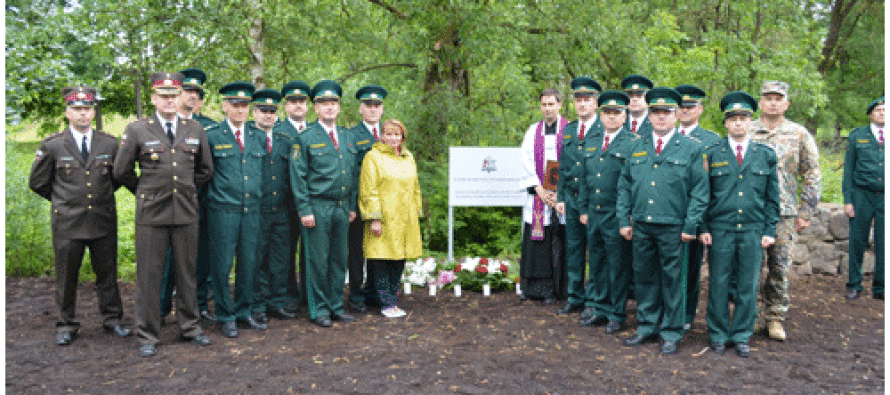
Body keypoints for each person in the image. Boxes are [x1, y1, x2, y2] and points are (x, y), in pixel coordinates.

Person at [114, 72, 214, 357]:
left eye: (174, 96)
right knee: (149, 276)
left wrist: (183, 189)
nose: (170, 101)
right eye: (164, 96)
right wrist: (145, 190)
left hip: (185, 211)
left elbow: (205, 170)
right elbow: (121, 171)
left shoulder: (194, 129)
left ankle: (190, 327)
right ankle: (147, 334)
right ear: (154, 99)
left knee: (187, 274)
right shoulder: (137, 130)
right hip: (152, 215)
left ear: (181, 97)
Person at [29, 86, 136, 346]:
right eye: (77, 109)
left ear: (93, 111)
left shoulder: (109, 143)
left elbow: (118, 176)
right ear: (67, 112)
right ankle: (66, 324)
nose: (83, 115)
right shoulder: (53, 145)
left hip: (102, 220)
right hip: (68, 223)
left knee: (107, 274)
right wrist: (64, 201)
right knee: (66, 277)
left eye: (87, 109)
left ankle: (112, 320)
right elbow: (38, 182)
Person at [616, 87, 709, 355]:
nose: (660, 117)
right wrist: (624, 219)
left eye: (666, 112)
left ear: (676, 115)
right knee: (644, 278)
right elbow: (624, 186)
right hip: (642, 223)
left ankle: (671, 331)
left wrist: (691, 225)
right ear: (650, 115)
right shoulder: (637, 146)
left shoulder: (691, 149)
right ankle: (646, 326)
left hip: (674, 227)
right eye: (656, 112)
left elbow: (700, 191)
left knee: (672, 280)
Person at [699, 91, 780, 357]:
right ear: (725, 123)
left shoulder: (765, 155)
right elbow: (704, 195)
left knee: (748, 285)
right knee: (719, 284)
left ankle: (742, 334)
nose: (738, 123)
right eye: (732, 118)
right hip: (721, 229)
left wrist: (770, 229)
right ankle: (719, 334)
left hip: (753, 230)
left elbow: (772, 197)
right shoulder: (712, 154)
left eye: (743, 118)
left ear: (751, 122)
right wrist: (704, 228)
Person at [750, 80, 822, 341]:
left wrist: (806, 211)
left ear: (787, 103)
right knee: (751, 267)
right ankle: (751, 316)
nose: (772, 102)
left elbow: (812, 173)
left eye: (778, 98)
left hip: (784, 212)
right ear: (760, 102)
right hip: (752, 211)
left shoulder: (798, 133)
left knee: (779, 267)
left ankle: (775, 317)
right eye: (768, 97)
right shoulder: (747, 130)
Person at [290, 79, 358, 328]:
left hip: (341, 207)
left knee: (340, 259)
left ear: (339, 108)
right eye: (323, 103)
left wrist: (351, 205)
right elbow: (298, 177)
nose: (329, 107)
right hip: (318, 207)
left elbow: (352, 174)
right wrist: (304, 209)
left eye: (333, 103)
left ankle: (336, 306)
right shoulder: (305, 138)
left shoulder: (348, 137)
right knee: (318, 261)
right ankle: (319, 310)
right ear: (315, 108)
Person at [203, 81, 268, 338]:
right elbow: (204, 173)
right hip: (223, 210)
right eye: (235, 105)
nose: (240, 110)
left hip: (251, 209)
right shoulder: (212, 135)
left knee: (249, 264)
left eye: (244, 106)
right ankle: (225, 315)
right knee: (221, 265)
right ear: (225, 106)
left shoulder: (257, 136)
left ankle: (243, 312)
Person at [160, 67, 217, 325]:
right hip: (172, 204)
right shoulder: (164, 124)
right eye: (187, 90)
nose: (192, 96)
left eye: (197, 92)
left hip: (203, 202)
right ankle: (161, 308)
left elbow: (210, 168)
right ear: (176, 93)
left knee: (202, 258)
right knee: (169, 260)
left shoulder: (208, 127)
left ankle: (200, 305)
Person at [576, 90, 636, 334]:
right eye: (607, 113)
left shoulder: (633, 143)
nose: (611, 117)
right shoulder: (591, 140)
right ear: (601, 116)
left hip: (616, 214)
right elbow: (584, 179)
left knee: (618, 265)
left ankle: (616, 312)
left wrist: (627, 215)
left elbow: (633, 182)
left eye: (616, 113)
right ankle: (598, 307)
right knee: (597, 262)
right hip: (594, 213)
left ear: (624, 117)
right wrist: (582, 207)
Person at [359, 119, 423, 318]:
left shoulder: (408, 157)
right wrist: (374, 218)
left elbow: (415, 187)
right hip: (384, 218)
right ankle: (387, 303)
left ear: (403, 137)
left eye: (397, 134)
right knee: (381, 259)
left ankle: (383, 296)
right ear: (381, 135)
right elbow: (368, 190)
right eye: (388, 134)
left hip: (405, 218)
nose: (393, 138)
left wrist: (417, 212)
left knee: (399, 259)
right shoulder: (373, 157)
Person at [674, 84, 722, 330]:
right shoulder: (665, 135)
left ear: (700, 109)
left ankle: (687, 315)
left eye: (690, 107)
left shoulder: (711, 141)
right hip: (669, 213)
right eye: (681, 107)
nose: (685, 111)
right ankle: (667, 311)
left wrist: (702, 222)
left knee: (691, 267)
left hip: (696, 214)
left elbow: (711, 186)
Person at [250, 88, 297, 322]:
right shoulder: (248, 137)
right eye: (263, 110)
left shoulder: (285, 140)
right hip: (257, 210)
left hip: (281, 210)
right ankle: (257, 304)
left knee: (280, 259)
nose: (268, 115)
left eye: (272, 111)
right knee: (257, 259)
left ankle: (277, 302)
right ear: (254, 111)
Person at [518, 87, 569, 304]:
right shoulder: (532, 131)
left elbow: (574, 162)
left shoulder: (569, 130)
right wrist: (539, 189)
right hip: (538, 196)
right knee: (538, 243)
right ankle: (538, 289)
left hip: (562, 197)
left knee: (560, 242)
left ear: (559, 104)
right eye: (544, 104)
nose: (547, 108)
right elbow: (525, 161)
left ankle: (560, 290)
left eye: (551, 104)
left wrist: (559, 193)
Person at [556, 76, 601, 317]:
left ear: (596, 103)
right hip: (572, 199)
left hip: (594, 201)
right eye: (579, 100)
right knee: (573, 249)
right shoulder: (570, 129)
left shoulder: (604, 129)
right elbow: (563, 165)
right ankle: (574, 296)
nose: (582, 104)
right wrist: (561, 196)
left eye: (587, 100)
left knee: (594, 250)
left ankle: (593, 300)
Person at [347, 84, 388, 314]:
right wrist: (352, 204)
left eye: (377, 106)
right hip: (360, 204)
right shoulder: (352, 136)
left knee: (379, 249)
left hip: (384, 205)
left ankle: (376, 291)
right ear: (360, 110)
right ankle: (355, 295)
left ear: (382, 110)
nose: (373, 110)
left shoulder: (390, 134)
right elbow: (351, 173)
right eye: (368, 106)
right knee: (356, 252)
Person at [842, 97, 885, 300]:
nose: (883, 113)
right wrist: (848, 200)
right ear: (870, 114)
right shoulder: (857, 136)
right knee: (857, 241)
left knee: (884, 243)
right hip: (861, 195)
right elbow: (848, 170)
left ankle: (881, 287)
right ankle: (854, 284)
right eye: (878, 110)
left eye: (886, 110)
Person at [277, 80, 312, 311]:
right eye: (293, 101)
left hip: (312, 203)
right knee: (285, 253)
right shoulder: (278, 132)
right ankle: (288, 297)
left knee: (311, 253)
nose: (298, 106)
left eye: (301, 101)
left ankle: (310, 296)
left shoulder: (316, 131)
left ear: (307, 105)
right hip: (284, 203)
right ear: (286, 106)